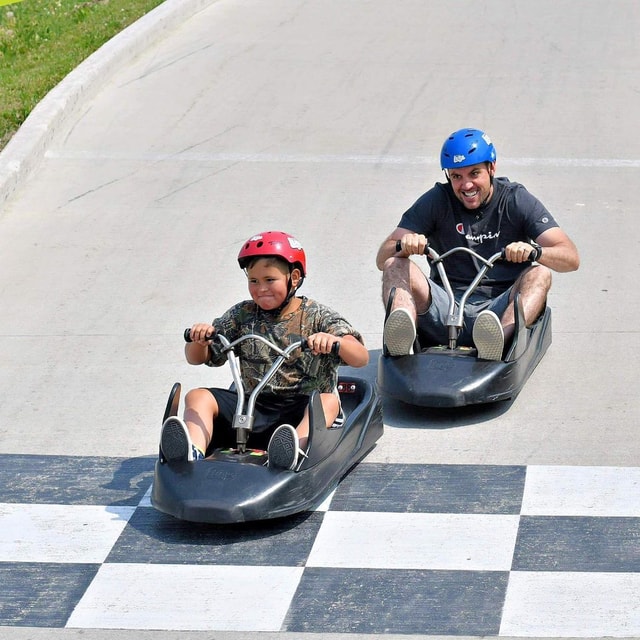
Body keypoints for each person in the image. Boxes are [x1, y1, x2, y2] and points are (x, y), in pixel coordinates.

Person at [160, 230, 369, 470]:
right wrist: (199, 340)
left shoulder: (317, 316)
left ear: (295, 277)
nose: (261, 289)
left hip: (301, 408)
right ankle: (193, 452)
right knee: (198, 396)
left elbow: (361, 357)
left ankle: (294, 452)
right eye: (253, 281)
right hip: (251, 407)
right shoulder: (242, 315)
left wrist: (335, 341)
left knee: (328, 401)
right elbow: (196, 359)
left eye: (270, 280)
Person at [376, 128, 580, 359]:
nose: (466, 185)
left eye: (474, 174)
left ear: (492, 168)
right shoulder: (437, 200)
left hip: (496, 311)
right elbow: (382, 258)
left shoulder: (515, 200)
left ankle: (499, 342)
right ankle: (402, 343)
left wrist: (534, 251)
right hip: (446, 305)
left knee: (540, 273)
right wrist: (404, 244)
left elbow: (570, 258)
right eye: (457, 177)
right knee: (396, 264)